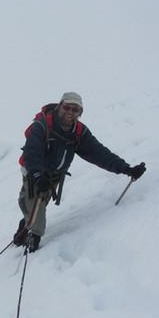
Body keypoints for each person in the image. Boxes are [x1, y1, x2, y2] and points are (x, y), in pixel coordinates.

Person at [13, 92, 146, 252]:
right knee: (35, 201)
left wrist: (126, 169)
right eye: (67, 107)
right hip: (34, 171)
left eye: (75, 109)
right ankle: (33, 238)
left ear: (80, 113)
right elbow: (32, 153)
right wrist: (37, 176)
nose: (70, 112)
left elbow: (100, 153)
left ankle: (26, 224)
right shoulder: (41, 126)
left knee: (40, 202)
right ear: (59, 106)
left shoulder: (79, 132)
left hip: (54, 174)